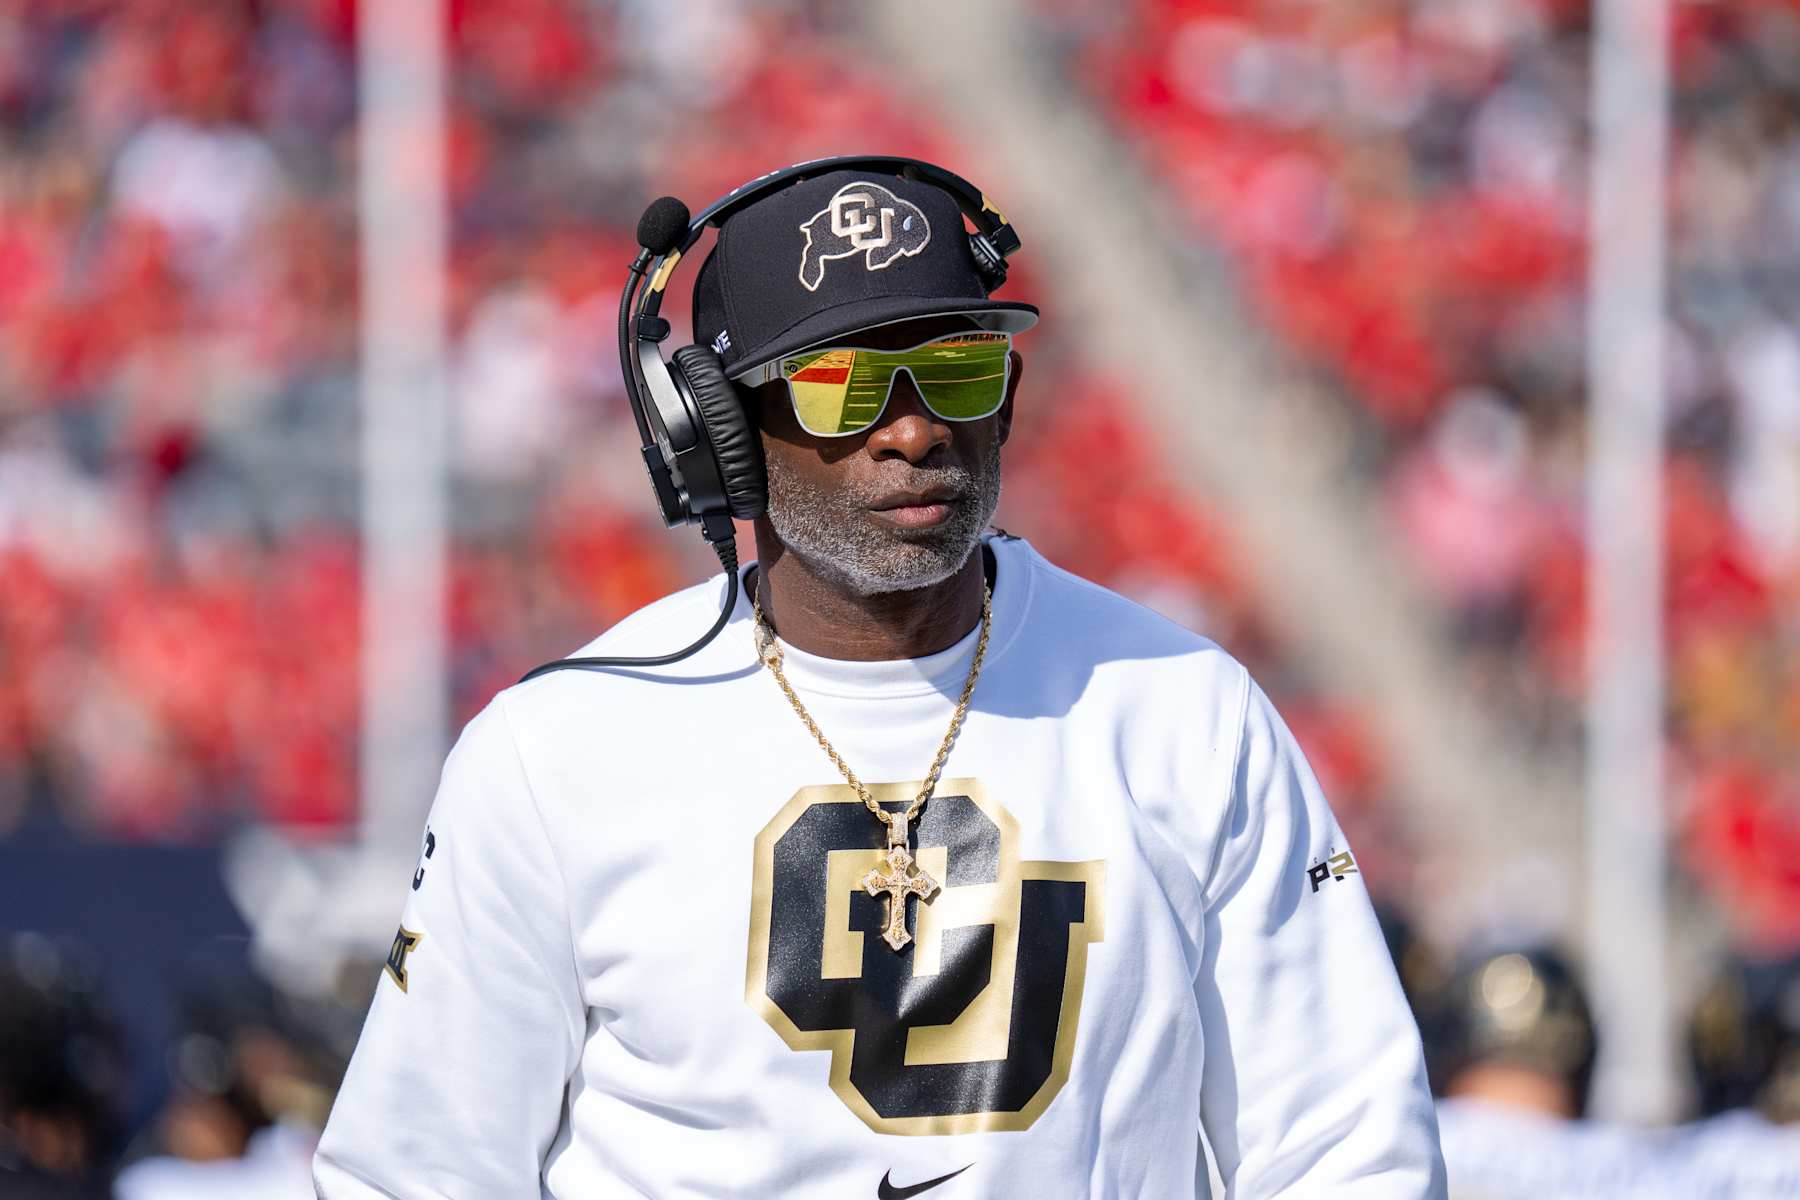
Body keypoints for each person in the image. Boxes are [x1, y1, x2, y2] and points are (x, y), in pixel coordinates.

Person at [314, 160, 1445, 1197]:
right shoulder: (557, 751)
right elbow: (414, 1169)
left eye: (956, 370)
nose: (913, 432)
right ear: (720, 434)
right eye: (843, 387)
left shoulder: (1185, 711)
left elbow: (1347, 1151)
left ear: (1006, 397)